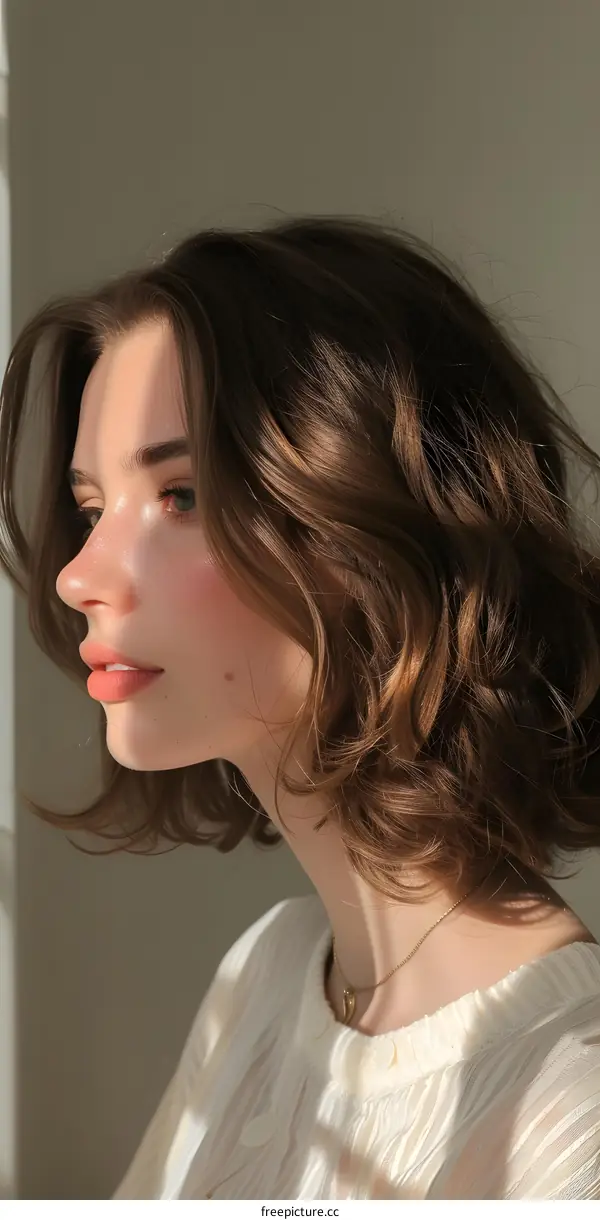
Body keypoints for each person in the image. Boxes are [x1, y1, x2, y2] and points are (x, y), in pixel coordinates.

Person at [1, 217, 600, 1201]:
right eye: (94, 508)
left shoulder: (569, 1111)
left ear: (380, 535)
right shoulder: (270, 973)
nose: (77, 575)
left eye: (182, 496)